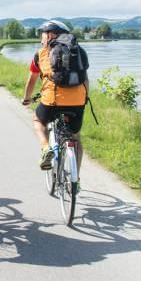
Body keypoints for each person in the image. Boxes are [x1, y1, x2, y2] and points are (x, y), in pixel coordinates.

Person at [21, 19, 89, 172]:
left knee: (38, 120)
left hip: (52, 102)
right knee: (76, 138)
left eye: (42, 34)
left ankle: (46, 148)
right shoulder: (79, 51)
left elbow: (31, 81)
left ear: (50, 34)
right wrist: (84, 99)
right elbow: (85, 79)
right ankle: (75, 180)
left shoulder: (41, 54)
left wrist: (26, 98)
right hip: (78, 103)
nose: (41, 38)